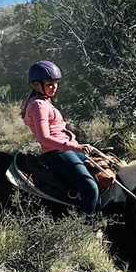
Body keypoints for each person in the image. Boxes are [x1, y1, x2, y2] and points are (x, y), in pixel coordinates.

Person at [21, 60, 99, 213]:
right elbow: (44, 138)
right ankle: (86, 229)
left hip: (66, 149)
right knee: (89, 187)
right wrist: (76, 147)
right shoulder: (38, 105)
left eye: (56, 83)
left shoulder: (46, 102)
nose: (54, 87)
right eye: (50, 84)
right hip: (56, 152)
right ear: (37, 85)